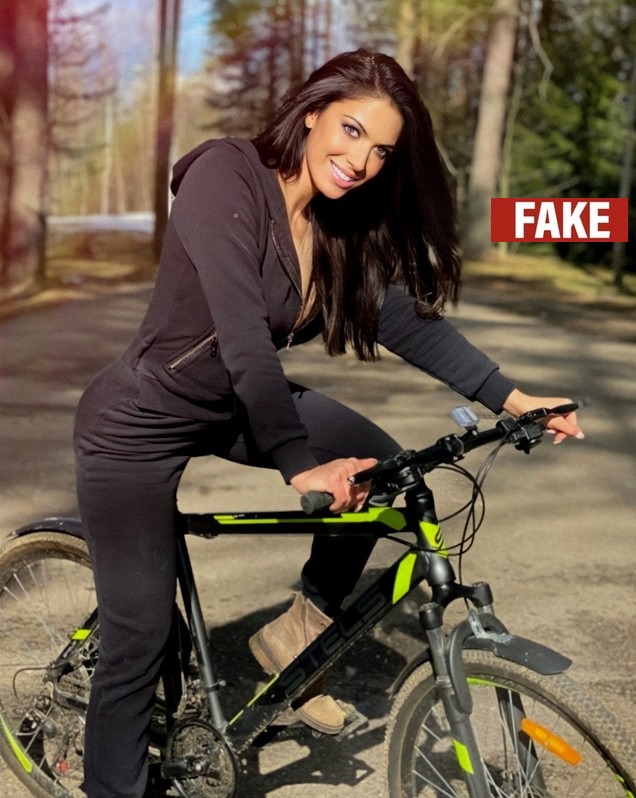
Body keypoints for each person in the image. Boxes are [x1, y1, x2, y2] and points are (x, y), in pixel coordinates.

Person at [74, 48, 583, 797]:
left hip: (234, 406)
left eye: (381, 151)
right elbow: (243, 336)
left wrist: (511, 399)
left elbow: (400, 318)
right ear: (311, 113)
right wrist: (297, 461)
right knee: (139, 637)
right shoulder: (225, 175)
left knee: (383, 465)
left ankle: (300, 630)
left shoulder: (336, 223)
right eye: (351, 131)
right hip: (139, 422)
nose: (361, 161)